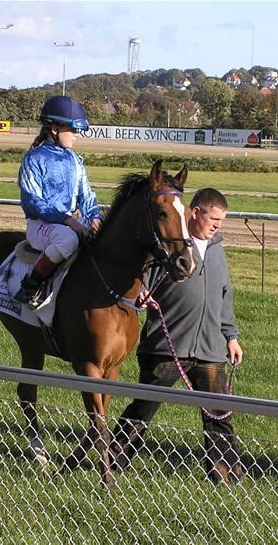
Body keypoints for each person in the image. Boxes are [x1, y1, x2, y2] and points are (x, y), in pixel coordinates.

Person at [112, 188, 244, 484]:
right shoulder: (166, 246)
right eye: (213, 219)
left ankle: (225, 476)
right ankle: (113, 459)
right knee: (144, 408)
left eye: (221, 221)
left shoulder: (217, 247)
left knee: (219, 414)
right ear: (195, 213)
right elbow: (136, 283)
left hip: (210, 349)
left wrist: (230, 336)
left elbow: (224, 294)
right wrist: (141, 294)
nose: (217, 225)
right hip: (167, 346)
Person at [13, 95, 102, 308]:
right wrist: (66, 219)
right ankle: (31, 286)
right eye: (72, 130)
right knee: (68, 239)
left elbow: (86, 195)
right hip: (41, 225)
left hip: (71, 222)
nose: (76, 135)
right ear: (54, 129)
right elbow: (33, 202)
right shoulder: (33, 159)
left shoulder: (74, 160)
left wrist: (95, 217)